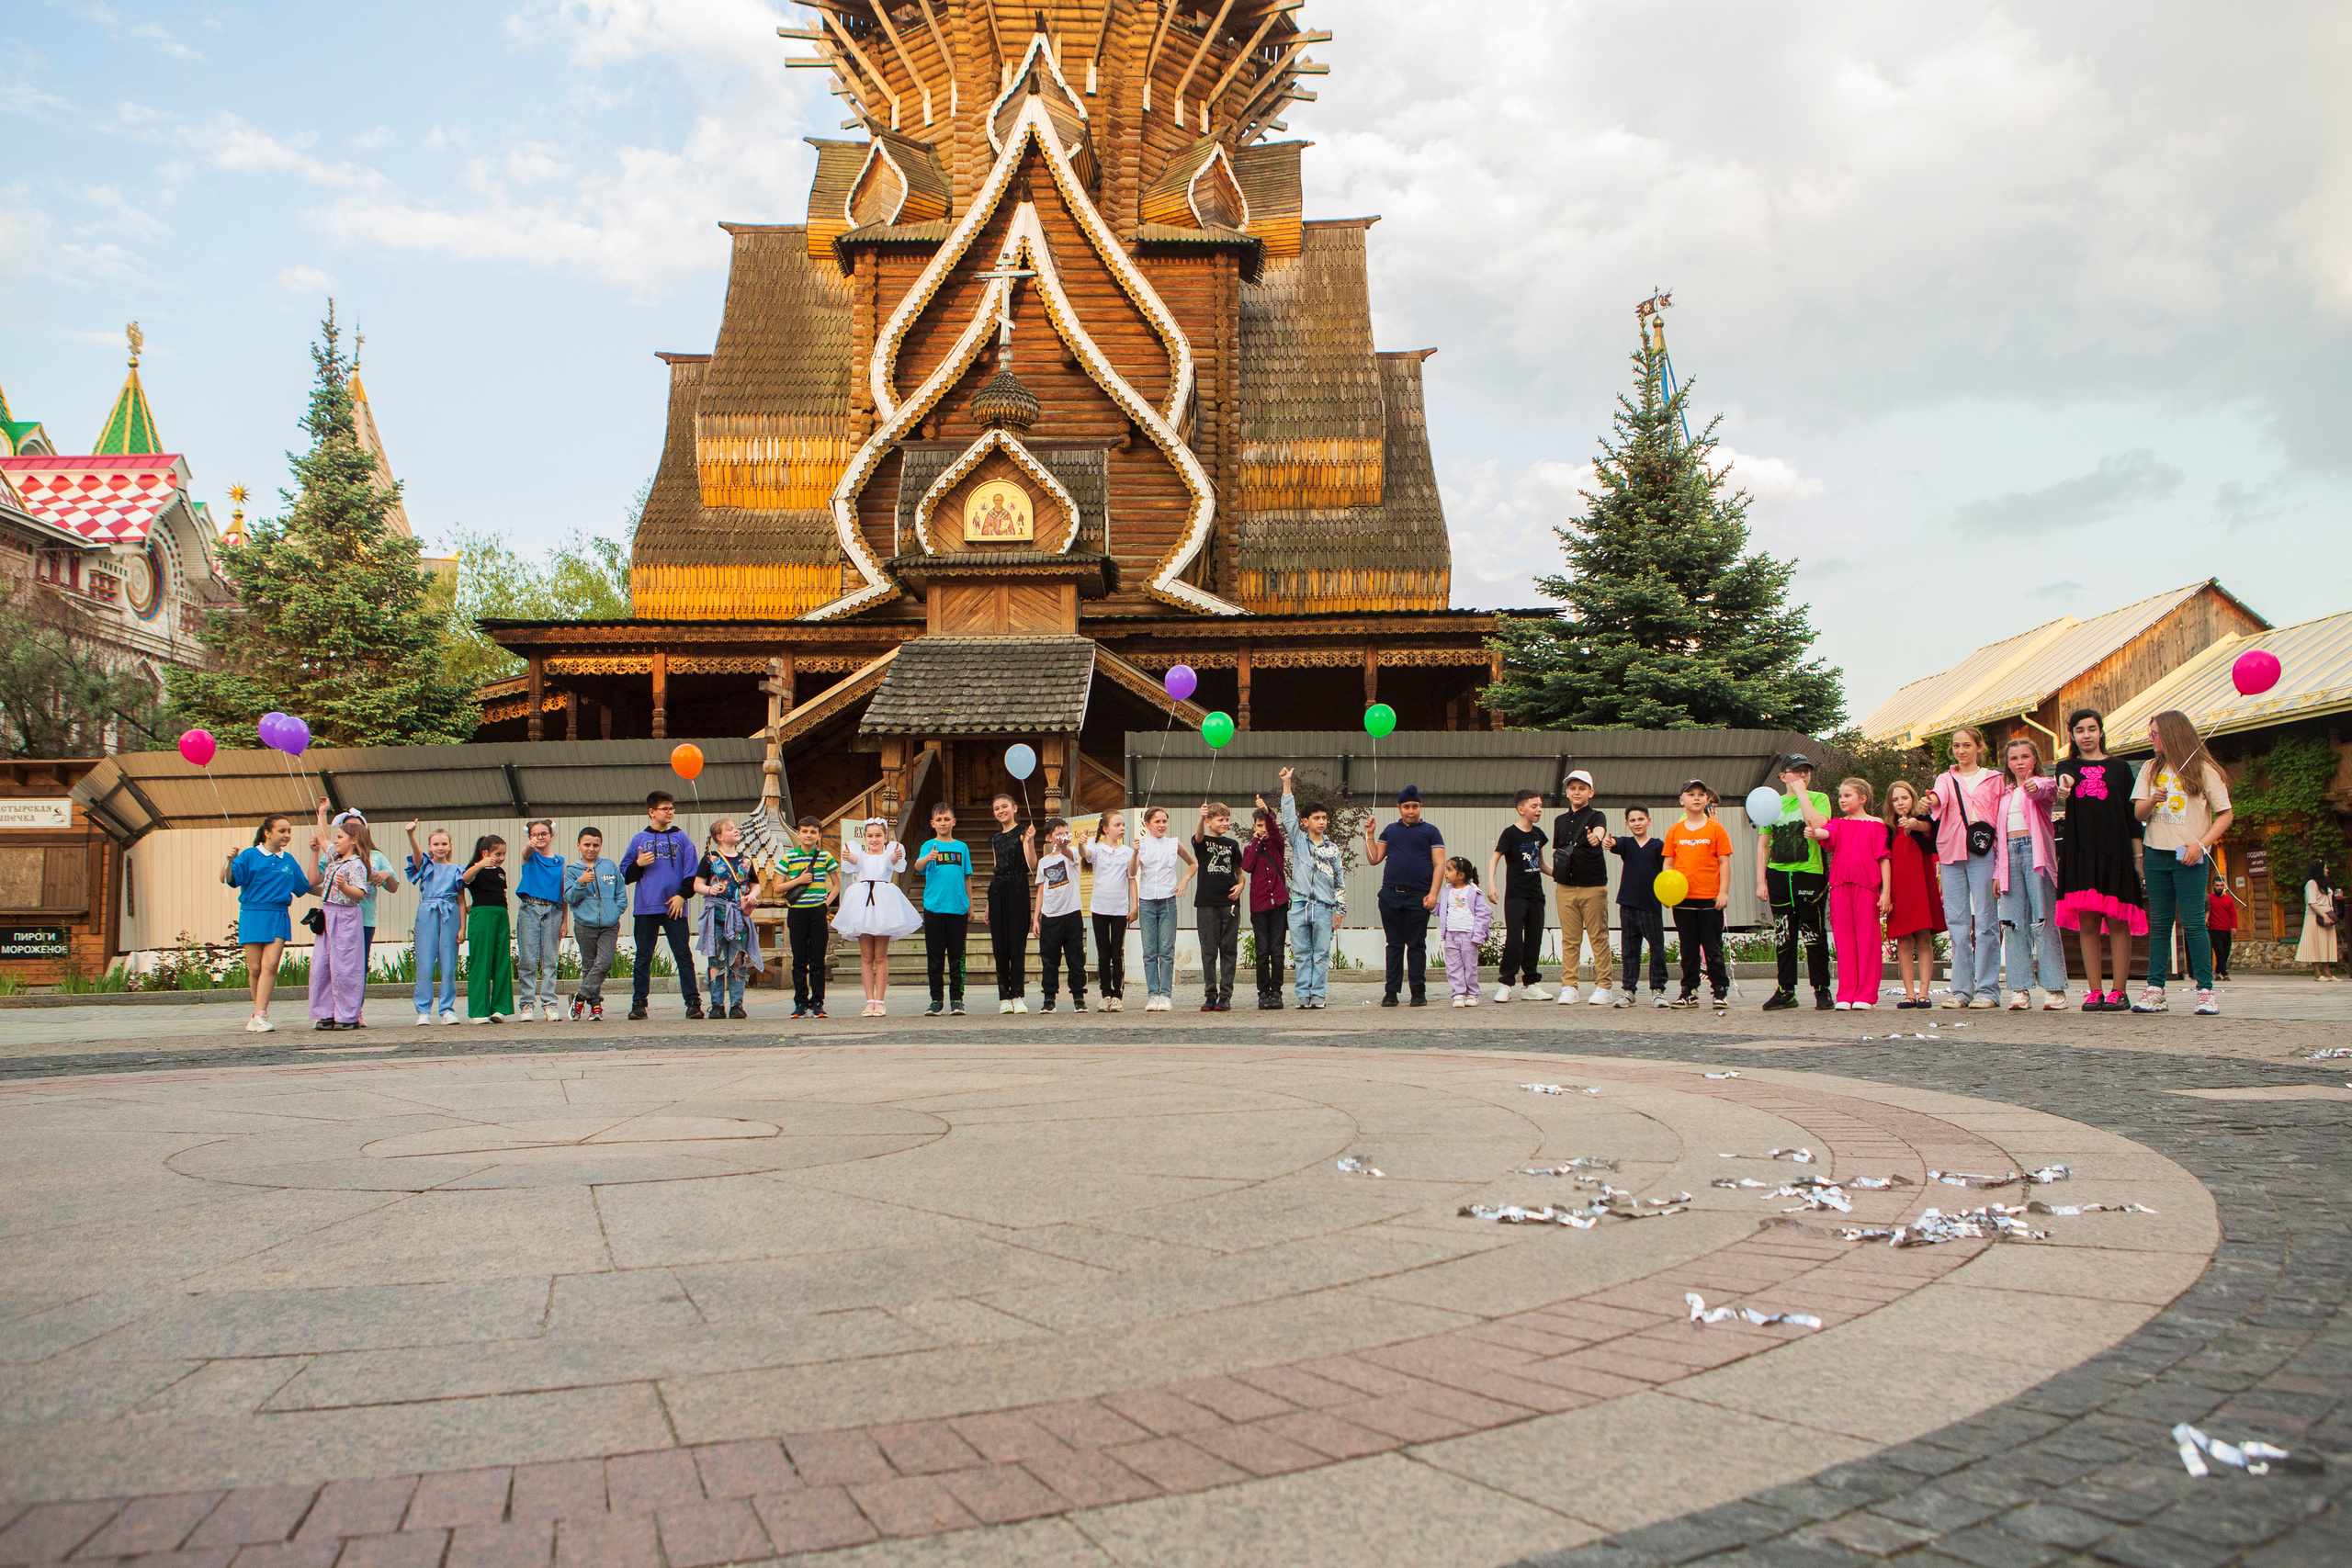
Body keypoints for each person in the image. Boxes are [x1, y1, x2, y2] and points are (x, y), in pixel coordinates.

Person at [2132, 710, 2233, 1015]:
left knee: (2193, 923)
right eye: (2150, 733)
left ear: (2173, 734)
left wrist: (2202, 845)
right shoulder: (2150, 768)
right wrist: (2152, 800)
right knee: (2160, 923)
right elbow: (2138, 815)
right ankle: (2155, 989)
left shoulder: (2203, 770)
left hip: (2189, 854)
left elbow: (2225, 814)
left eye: (2155, 733)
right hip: (2157, 853)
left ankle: (2205, 990)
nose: (2151, 739)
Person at [2052, 708, 2146, 1012]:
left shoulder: (2121, 768)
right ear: (2072, 735)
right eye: (2080, 730)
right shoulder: (2066, 766)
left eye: (2092, 729)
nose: (2087, 735)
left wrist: (2139, 855)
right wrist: (2064, 787)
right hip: (2080, 852)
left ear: (2101, 731)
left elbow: (2133, 818)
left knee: (2119, 921)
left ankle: (2119, 990)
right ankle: (2094, 991)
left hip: (2116, 853)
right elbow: (2062, 786)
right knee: (2088, 923)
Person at [1927, 727, 2004, 1009]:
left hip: (1983, 851)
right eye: (1957, 746)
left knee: (1985, 921)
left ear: (1979, 748)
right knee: (1956, 922)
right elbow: (1939, 797)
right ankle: (1960, 990)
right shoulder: (1946, 777)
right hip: (1951, 851)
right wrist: (1931, 800)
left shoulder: (1994, 779)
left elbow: (2000, 816)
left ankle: (1988, 990)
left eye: (1967, 745)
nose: (1961, 751)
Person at [1799, 777, 1891, 1010]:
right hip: (1840, 887)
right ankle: (1847, 993)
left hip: (1867, 888)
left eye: (1847, 795)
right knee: (1844, 941)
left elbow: (1883, 859)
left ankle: (1866, 995)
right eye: (1840, 796)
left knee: (1867, 940)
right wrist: (1814, 832)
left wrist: (1885, 893)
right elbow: (1825, 834)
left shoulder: (1877, 824)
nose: (1842, 800)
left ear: (1863, 799)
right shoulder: (1838, 823)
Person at [1993, 737, 2067, 1010]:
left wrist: (2034, 785)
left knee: (2044, 919)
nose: (2020, 762)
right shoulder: (2006, 793)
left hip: (2036, 854)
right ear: (2008, 763)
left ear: (2034, 759)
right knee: (2012, 923)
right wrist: (1998, 873)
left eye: (2025, 757)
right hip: (2009, 856)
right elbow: (1998, 839)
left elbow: (2046, 792)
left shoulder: (2042, 785)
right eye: (2014, 758)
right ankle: (2020, 989)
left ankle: (2055, 989)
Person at [1756, 755, 1834, 1013]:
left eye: (1806, 772)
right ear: (1783, 776)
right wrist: (1761, 880)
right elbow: (1764, 844)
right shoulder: (1771, 803)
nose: (1802, 776)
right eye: (1796, 772)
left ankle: (1822, 989)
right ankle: (1785, 990)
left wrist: (1802, 793)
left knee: (1813, 933)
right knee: (1784, 934)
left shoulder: (1819, 798)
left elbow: (1819, 824)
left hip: (1809, 872)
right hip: (1778, 874)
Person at [623, 791, 705, 1021]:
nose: (670, 812)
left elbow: (692, 872)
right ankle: (639, 1003)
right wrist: (638, 864)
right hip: (646, 907)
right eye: (665, 808)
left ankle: (693, 1002)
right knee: (643, 956)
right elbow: (626, 873)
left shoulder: (682, 839)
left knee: (683, 954)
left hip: (674, 907)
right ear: (652, 812)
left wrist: (682, 896)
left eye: (672, 809)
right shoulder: (639, 840)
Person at [221, 813, 306, 1033]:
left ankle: (261, 1014)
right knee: (256, 968)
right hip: (252, 914)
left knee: (270, 966)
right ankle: (256, 1013)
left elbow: (304, 887)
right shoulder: (249, 855)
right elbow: (228, 878)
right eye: (282, 831)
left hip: (278, 914)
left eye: (289, 831)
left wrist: (333, 888)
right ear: (267, 833)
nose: (287, 835)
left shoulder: (289, 861)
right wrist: (229, 860)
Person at [1365, 784, 1444, 1007]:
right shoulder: (1390, 831)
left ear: (1421, 807)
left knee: (1416, 944)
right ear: (1399, 808)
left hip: (1419, 897)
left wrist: (1433, 893)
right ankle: (1391, 991)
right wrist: (1369, 835)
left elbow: (1439, 864)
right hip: (1391, 895)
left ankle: (1418, 991)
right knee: (1394, 944)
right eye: (1407, 807)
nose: (1411, 811)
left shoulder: (1431, 831)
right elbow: (1374, 858)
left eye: (1415, 806)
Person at [834, 817, 922, 1016]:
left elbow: (892, 861)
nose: (874, 839)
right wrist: (848, 857)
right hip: (862, 906)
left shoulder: (889, 852)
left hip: (883, 904)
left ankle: (880, 1000)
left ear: (884, 837)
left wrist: (897, 855)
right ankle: (869, 1000)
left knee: (880, 956)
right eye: (870, 836)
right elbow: (855, 861)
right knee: (866, 956)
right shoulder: (860, 855)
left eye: (878, 835)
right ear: (865, 838)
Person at [1277, 768, 1344, 1010]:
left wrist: (1340, 909)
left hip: (1324, 908)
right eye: (1317, 818)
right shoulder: (1298, 840)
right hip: (1299, 905)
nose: (1322, 822)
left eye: (1324, 818)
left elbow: (1339, 879)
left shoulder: (1333, 849)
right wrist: (1287, 785)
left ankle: (1319, 995)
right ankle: (1303, 995)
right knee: (1302, 953)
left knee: (1321, 954)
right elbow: (1288, 818)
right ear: (1306, 822)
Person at [1665, 780, 1734, 1008]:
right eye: (1691, 794)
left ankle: (1719, 990)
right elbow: (1669, 863)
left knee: (1713, 946)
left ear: (1706, 800)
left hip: (1710, 899)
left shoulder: (1716, 829)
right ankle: (1689, 990)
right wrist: (1667, 892)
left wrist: (1722, 892)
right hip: (1683, 900)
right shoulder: (1674, 831)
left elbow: (1724, 862)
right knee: (1688, 948)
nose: (1696, 798)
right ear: (1681, 800)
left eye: (1701, 794)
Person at [305, 816, 376, 1031]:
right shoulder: (334, 858)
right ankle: (325, 1013)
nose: (335, 841)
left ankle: (347, 1015)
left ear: (354, 840)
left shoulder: (356, 865)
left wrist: (344, 887)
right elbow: (312, 878)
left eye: (340, 837)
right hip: (328, 915)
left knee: (345, 968)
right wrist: (315, 850)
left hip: (345, 917)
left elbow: (359, 895)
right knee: (322, 966)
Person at [311, 800, 397, 973]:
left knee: (357, 966)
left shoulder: (376, 856)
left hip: (364, 919)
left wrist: (386, 874)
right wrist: (322, 812)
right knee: (334, 964)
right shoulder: (337, 853)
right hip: (337, 918)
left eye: (356, 828)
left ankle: (356, 999)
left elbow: (394, 887)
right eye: (346, 828)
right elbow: (323, 840)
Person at [1549, 772, 1612, 1005]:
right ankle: (1569, 986)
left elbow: (1599, 832)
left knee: (1598, 937)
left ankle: (1604, 985)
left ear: (1591, 792)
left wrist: (1596, 837)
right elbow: (1560, 853)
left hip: (1593, 886)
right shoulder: (1559, 821)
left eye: (1582, 788)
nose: (1577, 792)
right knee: (1570, 938)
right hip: (1565, 887)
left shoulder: (1597, 816)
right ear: (1566, 792)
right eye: (1573, 788)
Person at [1882, 782, 1945, 1009]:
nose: (1900, 803)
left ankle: (1925, 992)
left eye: (1905, 798)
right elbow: (1884, 861)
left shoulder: (1924, 823)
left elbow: (1927, 829)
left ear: (1913, 799)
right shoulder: (1887, 830)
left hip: (1921, 887)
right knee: (1904, 941)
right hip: (1899, 888)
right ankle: (1909, 993)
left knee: (1924, 938)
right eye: (1896, 799)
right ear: (1890, 804)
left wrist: (1914, 823)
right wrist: (1885, 893)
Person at [694, 818, 763, 1020]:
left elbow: (755, 884)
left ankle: (737, 1004)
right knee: (715, 959)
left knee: (738, 959)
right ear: (719, 837)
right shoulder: (710, 859)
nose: (736, 831)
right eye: (730, 829)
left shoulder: (745, 860)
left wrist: (753, 895)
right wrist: (709, 889)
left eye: (735, 828)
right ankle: (716, 1005)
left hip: (738, 917)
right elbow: (697, 884)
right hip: (717, 915)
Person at [1487, 789, 1549, 1003]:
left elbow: (1540, 864)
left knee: (1534, 938)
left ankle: (1531, 984)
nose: (1539, 809)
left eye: (1540, 805)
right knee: (1515, 939)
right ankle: (1506, 983)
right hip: (1515, 895)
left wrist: (1561, 874)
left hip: (1536, 895)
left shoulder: (1538, 835)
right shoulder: (1510, 834)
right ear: (1521, 809)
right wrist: (1491, 884)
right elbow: (1495, 858)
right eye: (1534, 806)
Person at [1607, 807, 1669, 1007]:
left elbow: (1667, 873)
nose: (1637, 823)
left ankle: (1658, 990)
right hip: (1628, 904)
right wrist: (1610, 841)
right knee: (1629, 950)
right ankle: (1628, 991)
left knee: (1657, 948)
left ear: (1649, 821)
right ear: (1627, 824)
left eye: (1641, 819)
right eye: (1632, 820)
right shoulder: (1627, 844)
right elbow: (1616, 842)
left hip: (1651, 905)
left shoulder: (1659, 846)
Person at [777, 817, 839, 1019]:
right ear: (798, 834)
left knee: (818, 959)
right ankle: (800, 1002)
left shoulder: (825, 856)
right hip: (797, 912)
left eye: (813, 832)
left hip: (817, 912)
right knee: (799, 960)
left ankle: (818, 1002)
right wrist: (799, 880)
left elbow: (836, 884)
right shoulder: (789, 857)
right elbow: (777, 887)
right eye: (805, 831)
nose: (809, 835)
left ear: (819, 835)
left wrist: (825, 904)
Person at [1134, 806, 1194, 1011]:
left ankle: (1166, 995)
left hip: (1168, 900)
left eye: (1164, 821)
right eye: (1157, 821)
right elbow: (1132, 872)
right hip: (1147, 901)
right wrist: (1134, 853)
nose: (1161, 825)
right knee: (1150, 951)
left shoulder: (1173, 844)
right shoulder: (1141, 845)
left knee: (1166, 950)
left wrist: (1184, 881)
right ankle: (1152, 995)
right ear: (1147, 824)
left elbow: (1193, 864)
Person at [403, 821, 465, 1025]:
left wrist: (463, 927)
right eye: (436, 844)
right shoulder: (426, 865)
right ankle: (423, 1010)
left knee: (448, 964)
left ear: (450, 846)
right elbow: (417, 856)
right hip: (428, 911)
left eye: (444, 844)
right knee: (425, 963)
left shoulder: (458, 870)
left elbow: (462, 899)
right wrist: (411, 835)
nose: (440, 848)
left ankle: (447, 1009)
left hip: (450, 912)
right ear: (430, 847)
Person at [914, 803, 971, 1018]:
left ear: (953, 822)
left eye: (947, 819)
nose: (943, 823)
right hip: (934, 907)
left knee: (957, 956)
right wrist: (927, 858)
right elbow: (917, 867)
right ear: (933, 823)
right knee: (935, 956)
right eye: (939, 820)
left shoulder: (962, 847)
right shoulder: (929, 846)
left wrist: (970, 905)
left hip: (958, 908)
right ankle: (936, 1000)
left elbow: (967, 877)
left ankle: (957, 999)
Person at [564, 827, 624, 1021]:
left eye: (595, 845)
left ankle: (579, 996)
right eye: (587, 845)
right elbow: (569, 897)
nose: (591, 849)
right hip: (585, 924)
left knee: (605, 962)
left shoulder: (609, 866)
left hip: (609, 924)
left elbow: (620, 892)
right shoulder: (573, 870)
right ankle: (596, 1006)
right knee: (589, 965)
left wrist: (616, 911)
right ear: (578, 845)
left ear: (600, 846)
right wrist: (581, 882)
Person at [986, 794, 1037, 1013]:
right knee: (1000, 944)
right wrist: (989, 903)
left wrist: (1031, 841)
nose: (1000, 811)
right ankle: (1004, 996)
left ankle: (1018, 995)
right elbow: (995, 867)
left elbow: (1032, 864)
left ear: (1015, 808)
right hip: (998, 889)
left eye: (1004, 806)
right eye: (996, 808)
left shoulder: (1023, 832)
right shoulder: (996, 839)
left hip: (1018, 885)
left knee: (1017, 942)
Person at [512, 818, 567, 1024]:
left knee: (550, 959)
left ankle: (550, 1004)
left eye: (544, 833)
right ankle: (527, 1004)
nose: (540, 837)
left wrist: (564, 920)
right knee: (528, 958)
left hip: (553, 910)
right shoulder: (530, 856)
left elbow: (563, 891)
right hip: (530, 908)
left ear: (551, 836)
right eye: (535, 834)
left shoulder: (560, 861)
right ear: (530, 837)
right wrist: (529, 846)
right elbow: (525, 852)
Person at [1192, 803, 1244, 1011]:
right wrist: (1200, 818)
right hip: (1206, 902)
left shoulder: (1232, 844)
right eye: (1220, 819)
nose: (1225, 823)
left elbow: (1240, 872)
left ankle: (1226, 995)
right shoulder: (1202, 842)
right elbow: (1197, 836)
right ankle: (1210, 994)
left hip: (1229, 902)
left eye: (1226, 820)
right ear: (1209, 821)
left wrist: (1241, 885)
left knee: (1229, 949)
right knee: (1209, 950)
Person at [1031, 818, 1087, 1011]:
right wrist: (1036, 917)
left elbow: (1067, 852)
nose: (1063, 838)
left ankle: (1079, 997)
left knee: (1075, 957)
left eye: (1066, 833)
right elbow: (1040, 890)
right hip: (1050, 915)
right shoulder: (1044, 862)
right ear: (1048, 838)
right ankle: (1049, 999)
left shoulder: (1072, 855)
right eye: (1058, 835)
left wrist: (1065, 846)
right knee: (1049, 960)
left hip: (1071, 913)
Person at [1084, 812, 1136, 1012]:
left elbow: (1131, 877)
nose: (1122, 828)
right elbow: (1085, 855)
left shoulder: (1128, 852)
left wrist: (1135, 905)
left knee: (1117, 953)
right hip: (1099, 907)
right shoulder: (1096, 849)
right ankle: (1105, 994)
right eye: (1117, 824)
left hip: (1119, 909)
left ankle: (1117, 995)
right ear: (1106, 828)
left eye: (1123, 824)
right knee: (1103, 953)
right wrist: (1082, 844)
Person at [1241, 799, 1290, 1010]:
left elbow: (1275, 831)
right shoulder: (1250, 848)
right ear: (1253, 826)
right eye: (1259, 825)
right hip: (1259, 905)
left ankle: (1276, 991)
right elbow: (1247, 866)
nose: (1263, 830)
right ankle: (1263, 992)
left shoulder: (1277, 845)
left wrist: (1268, 813)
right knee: (1262, 951)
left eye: (1265, 825)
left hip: (1278, 903)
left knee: (1277, 950)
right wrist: (1255, 843)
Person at [462, 833, 514, 1023]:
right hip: (482, 915)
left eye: (503, 854)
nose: (501, 857)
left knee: (502, 960)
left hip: (501, 914)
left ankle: (499, 1008)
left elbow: (502, 893)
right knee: (481, 961)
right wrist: (481, 864)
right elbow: (465, 878)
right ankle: (478, 1011)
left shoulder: (501, 872)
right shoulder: (475, 869)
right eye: (497, 854)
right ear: (485, 852)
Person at [1437, 856, 1494, 1006]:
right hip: (1451, 935)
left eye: (1449, 870)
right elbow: (1444, 910)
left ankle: (1472, 994)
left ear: (1461, 875)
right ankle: (1458, 993)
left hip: (1469, 936)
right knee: (1453, 966)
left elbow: (1483, 913)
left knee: (1470, 966)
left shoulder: (1473, 891)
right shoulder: (1446, 892)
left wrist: (1478, 935)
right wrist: (1431, 907)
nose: (1445, 873)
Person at [2297, 861, 2337, 980]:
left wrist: (2331, 915)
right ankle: (2317, 973)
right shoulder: (2311, 884)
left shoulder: (2325, 886)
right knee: (2314, 944)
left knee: (2325, 944)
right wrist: (2324, 915)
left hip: (2327, 917)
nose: (2327, 870)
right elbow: (2312, 903)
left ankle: (2327, 973)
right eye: (2325, 868)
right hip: (2314, 917)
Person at [2206, 882, 2239, 984]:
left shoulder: (2229, 900)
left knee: (2226, 952)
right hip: (2214, 929)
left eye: (2221, 886)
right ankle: (2225, 974)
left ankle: (2217, 971)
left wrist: (2234, 927)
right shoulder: (2210, 898)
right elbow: (2206, 910)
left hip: (2226, 930)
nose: (2219, 888)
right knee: (2219, 952)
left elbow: (2233, 914)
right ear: (2213, 887)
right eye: (2217, 885)